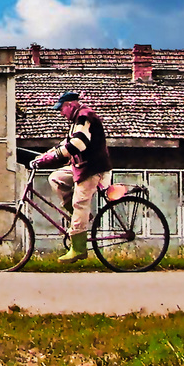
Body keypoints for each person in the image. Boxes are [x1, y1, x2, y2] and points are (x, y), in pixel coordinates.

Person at [30, 91, 112, 263]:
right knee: (56, 178)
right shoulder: (76, 120)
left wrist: (52, 158)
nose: (60, 113)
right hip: (80, 168)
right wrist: (43, 157)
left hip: (93, 169)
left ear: (70, 105)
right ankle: (80, 218)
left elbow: (78, 144)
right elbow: (64, 144)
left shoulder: (84, 116)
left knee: (79, 203)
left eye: (61, 109)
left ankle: (78, 248)